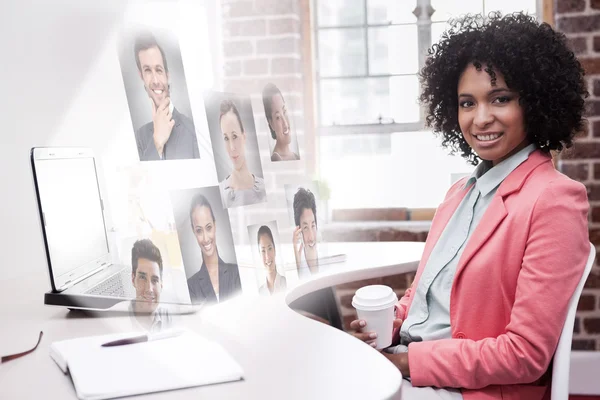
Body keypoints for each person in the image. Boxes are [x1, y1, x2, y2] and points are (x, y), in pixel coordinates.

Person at [350, 13, 589, 400]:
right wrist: (386, 326)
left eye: (500, 98)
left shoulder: (555, 199)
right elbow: (426, 293)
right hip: (407, 366)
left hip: (465, 389)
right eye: (467, 103)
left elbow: (525, 355)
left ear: (534, 101)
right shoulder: (461, 192)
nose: (480, 119)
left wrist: (406, 363)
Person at [133, 32, 199, 161]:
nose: (156, 80)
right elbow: (140, 180)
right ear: (141, 76)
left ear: (167, 75)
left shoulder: (193, 130)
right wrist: (156, 142)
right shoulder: (139, 137)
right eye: (147, 71)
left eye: (158, 70)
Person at [289, 187, 343, 330]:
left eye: (313, 225)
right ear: (298, 229)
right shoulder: (296, 263)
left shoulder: (326, 256)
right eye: (305, 228)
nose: (311, 236)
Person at [186, 193, 242, 304]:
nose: (206, 238)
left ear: (215, 225)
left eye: (208, 227)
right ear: (193, 231)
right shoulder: (191, 287)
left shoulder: (236, 273)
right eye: (199, 230)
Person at [218, 99, 267, 208]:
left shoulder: (265, 188)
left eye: (234, 136)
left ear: (244, 136)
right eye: (226, 138)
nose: (232, 147)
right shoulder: (221, 193)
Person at [130, 239, 172, 332]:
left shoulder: (170, 319)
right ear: (133, 279)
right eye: (142, 278)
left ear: (161, 284)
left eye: (154, 280)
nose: (149, 289)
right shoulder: (119, 322)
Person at [262, 83, 300, 161]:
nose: (285, 123)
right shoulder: (276, 159)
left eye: (284, 111)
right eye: (278, 117)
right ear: (271, 124)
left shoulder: (296, 156)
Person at [256, 225, 287, 295]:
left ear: (275, 250)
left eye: (270, 248)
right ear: (259, 255)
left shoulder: (286, 283)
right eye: (263, 251)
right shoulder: (260, 292)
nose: (267, 257)